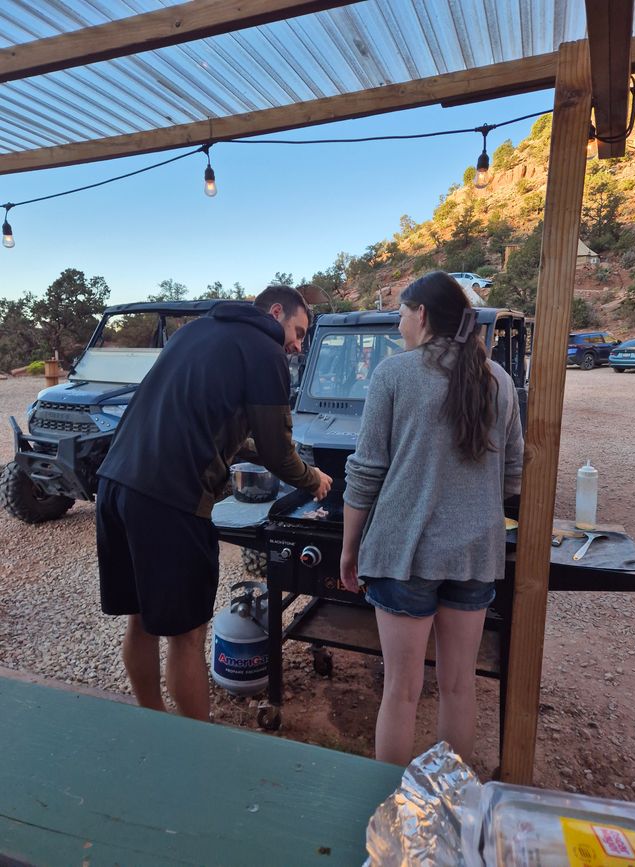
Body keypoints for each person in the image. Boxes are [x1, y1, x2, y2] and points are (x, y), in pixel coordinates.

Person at [96, 285, 332, 721]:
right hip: (170, 499)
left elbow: (206, 420)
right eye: (298, 330)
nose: (298, 344)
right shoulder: (265, 350)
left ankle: (152, 722)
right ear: (276, 311)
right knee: (187, 635)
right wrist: (313, 478)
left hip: (115, 482)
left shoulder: (196, 331)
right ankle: (195, 749)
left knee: (142, 619)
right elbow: (279, 451)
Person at [340, 271, 523, 765]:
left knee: (401, 690)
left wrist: (349, 547)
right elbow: (512, 478)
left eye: (401, 313)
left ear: (421, 314)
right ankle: (448, 807)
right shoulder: (500, 381)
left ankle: (389, 813)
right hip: (474, 553)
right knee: (459, 687)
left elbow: (366, 472)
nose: (399, 325)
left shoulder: (393, 374)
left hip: (405, 552)